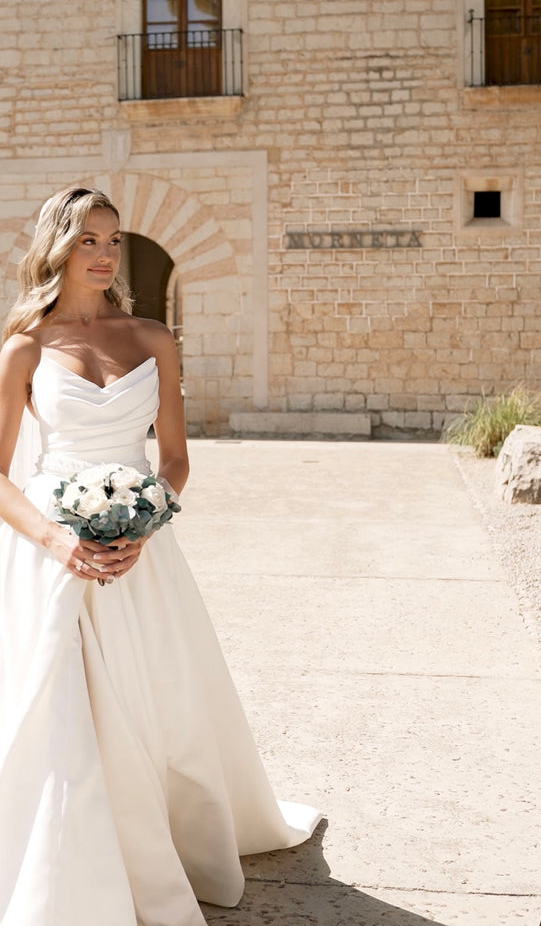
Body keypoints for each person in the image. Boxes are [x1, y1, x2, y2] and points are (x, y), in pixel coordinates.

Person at [0, 187, 322, 926]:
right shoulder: (24, 347)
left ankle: (155, 835)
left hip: (143, 546)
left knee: (155, 696)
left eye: (113, 239)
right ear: (56, 247)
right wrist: (57, 540)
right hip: (55, 552)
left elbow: (174, 459)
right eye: (88, 239)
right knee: (63, 710)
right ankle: (72, 868)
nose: (106, 253)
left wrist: (145, 521)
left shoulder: (153, 338)